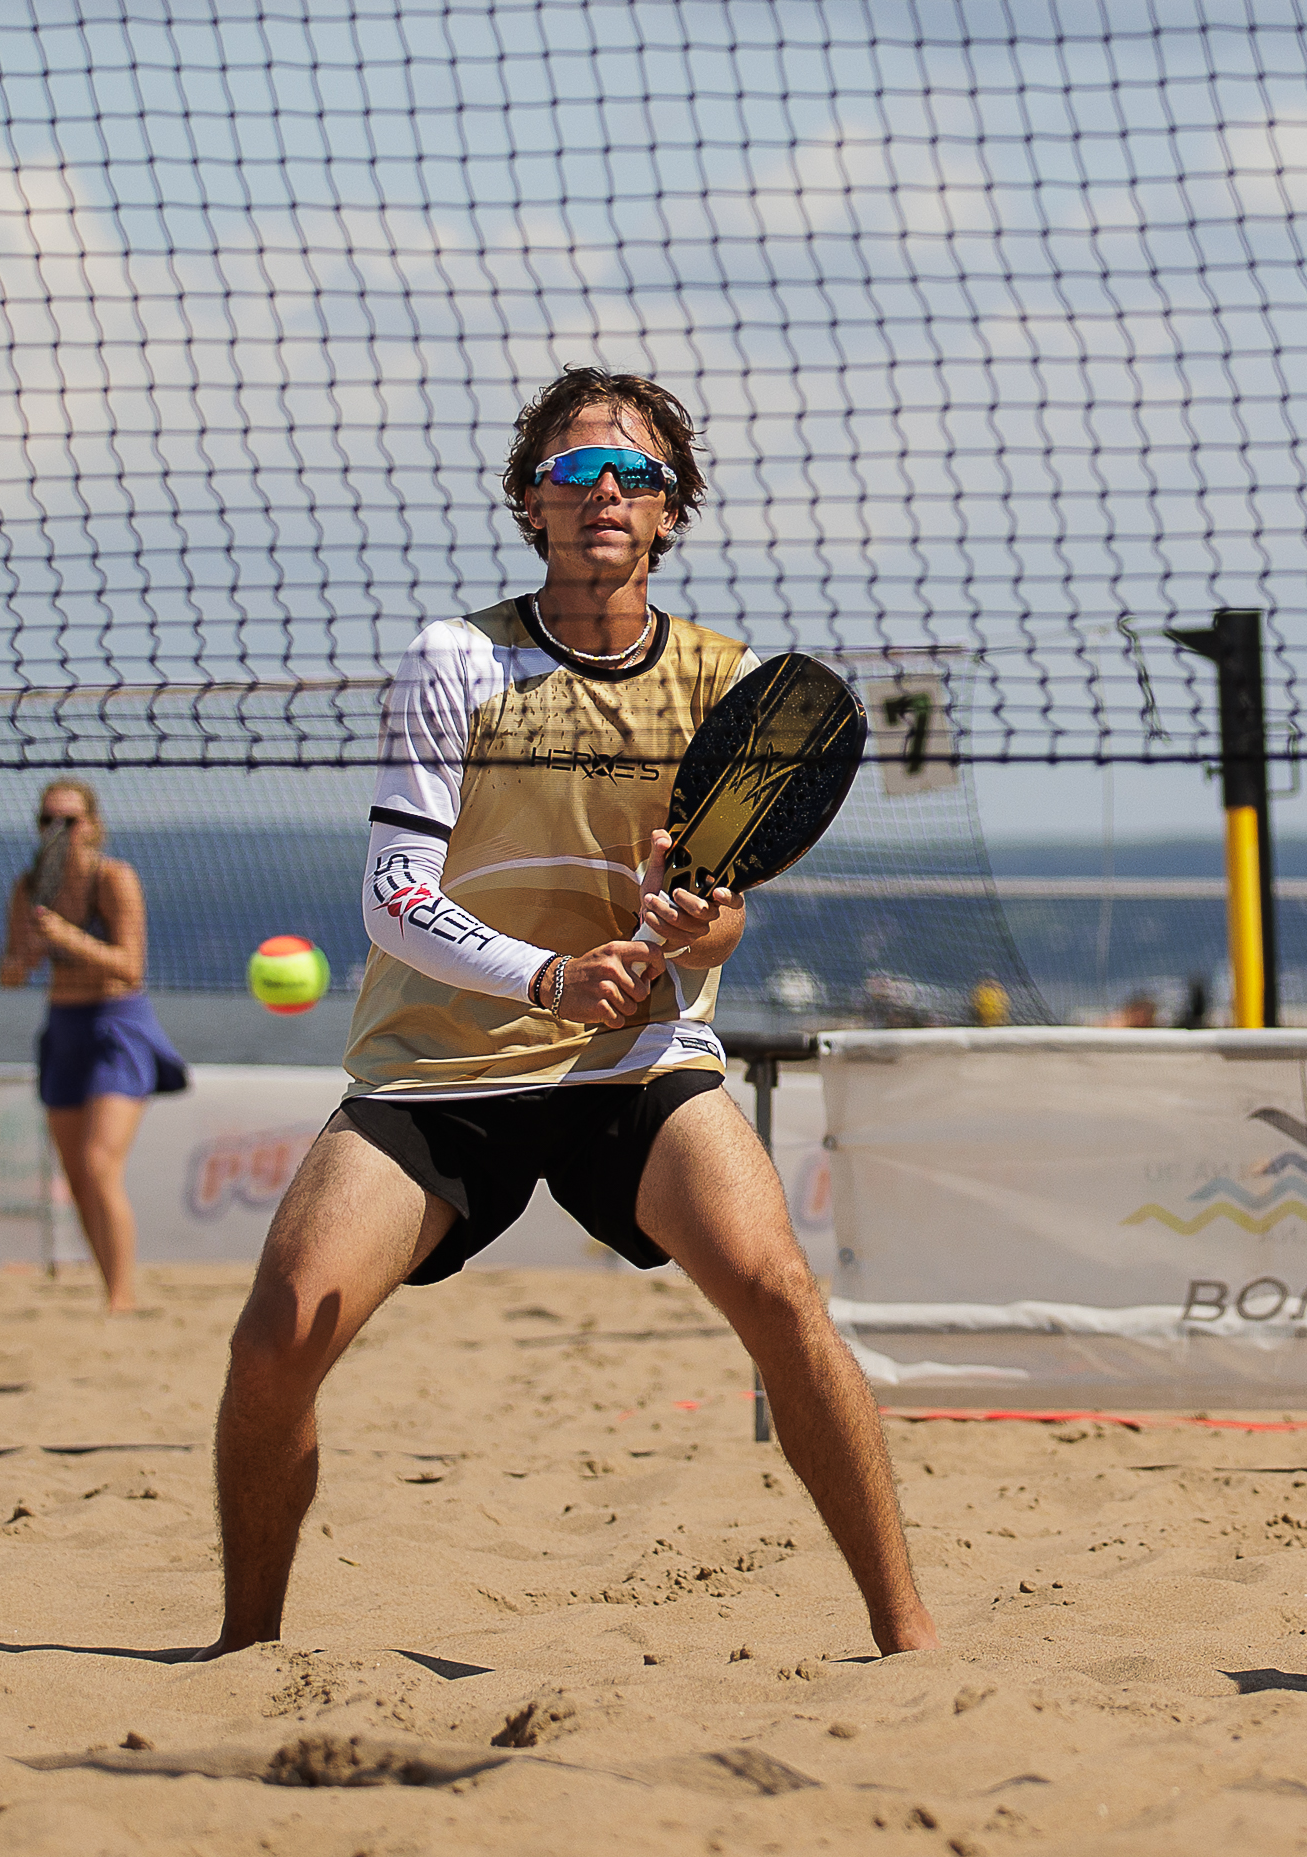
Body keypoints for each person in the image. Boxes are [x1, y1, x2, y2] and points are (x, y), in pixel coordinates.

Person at [195, 367, 936, 1660]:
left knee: (778, 1292)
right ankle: (244, 1648)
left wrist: (700, 929)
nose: (605, 494)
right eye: (575, 471)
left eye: (635, 475)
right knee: (280, 1338)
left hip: (634, 1064)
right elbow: (391, 896)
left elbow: (726, 910)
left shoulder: (728, 680)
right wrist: (542, 975)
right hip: (441, 1068)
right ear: (530, 502)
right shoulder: (457, 661)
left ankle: (908, 1640)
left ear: (671, 512)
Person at [0, 779, 187, 1313]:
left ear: (94, 825)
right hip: (63, 1025)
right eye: (48, 821)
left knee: (100, 1164)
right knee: (78, 1178)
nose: (60, 832)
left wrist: (66, 938)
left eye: (70, 821)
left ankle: (122, 1298)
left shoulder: (114, 879)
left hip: (116, 1025)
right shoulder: (29, 887)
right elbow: (8, 974)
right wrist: (29, 954)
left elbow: (131, 967)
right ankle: (110, 1288)